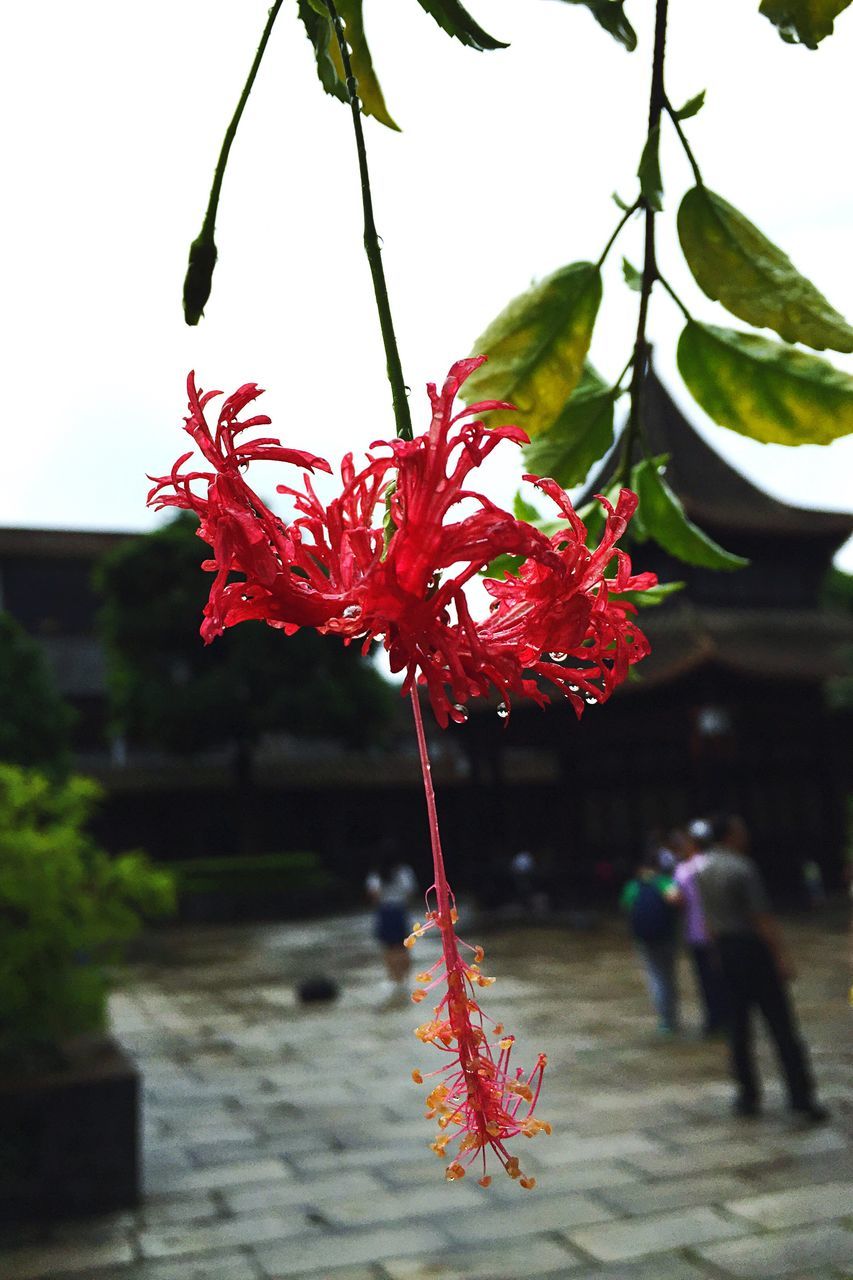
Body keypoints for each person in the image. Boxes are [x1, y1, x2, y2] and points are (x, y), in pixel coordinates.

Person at [695, 813, 827, 1121]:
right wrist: (781, 955)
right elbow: (761, 917)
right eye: (741, 830)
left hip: (726, 951)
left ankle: (747, 1096)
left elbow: (708, 918)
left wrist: (715, 950)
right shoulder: (743, 868)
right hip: (751, 949)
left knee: (738, 1028)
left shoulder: (704, 869)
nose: (746, 835)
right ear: (730, 835)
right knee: (781, 1026)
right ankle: (801, 1098)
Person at [675, 822, 727, 1036]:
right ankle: (729, 1019)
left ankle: (713, 1021)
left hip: (696, 934)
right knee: (723, 977)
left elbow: (678, 901)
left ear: (692, 844)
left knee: (705, 981)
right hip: (721, 932)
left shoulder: (683, 870)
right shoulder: (718, 865)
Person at [620, 856, 681, 1034]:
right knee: (669, 978)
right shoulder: (664, 882)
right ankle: (672, 1018)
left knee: (655, 978)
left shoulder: (632, 886)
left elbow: (626, 908)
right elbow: (676, 900)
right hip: (666, 937)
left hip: (644, 940)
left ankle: (664, 1022)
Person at [365, 853, 418, 1007]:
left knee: (389, 948)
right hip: (400, 910)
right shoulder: (404, 871)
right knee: (403, 947)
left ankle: (394, 979)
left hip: (385, 911)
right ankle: (405, 980)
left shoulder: (377, 873)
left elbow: (374, 894)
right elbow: (410, 891)